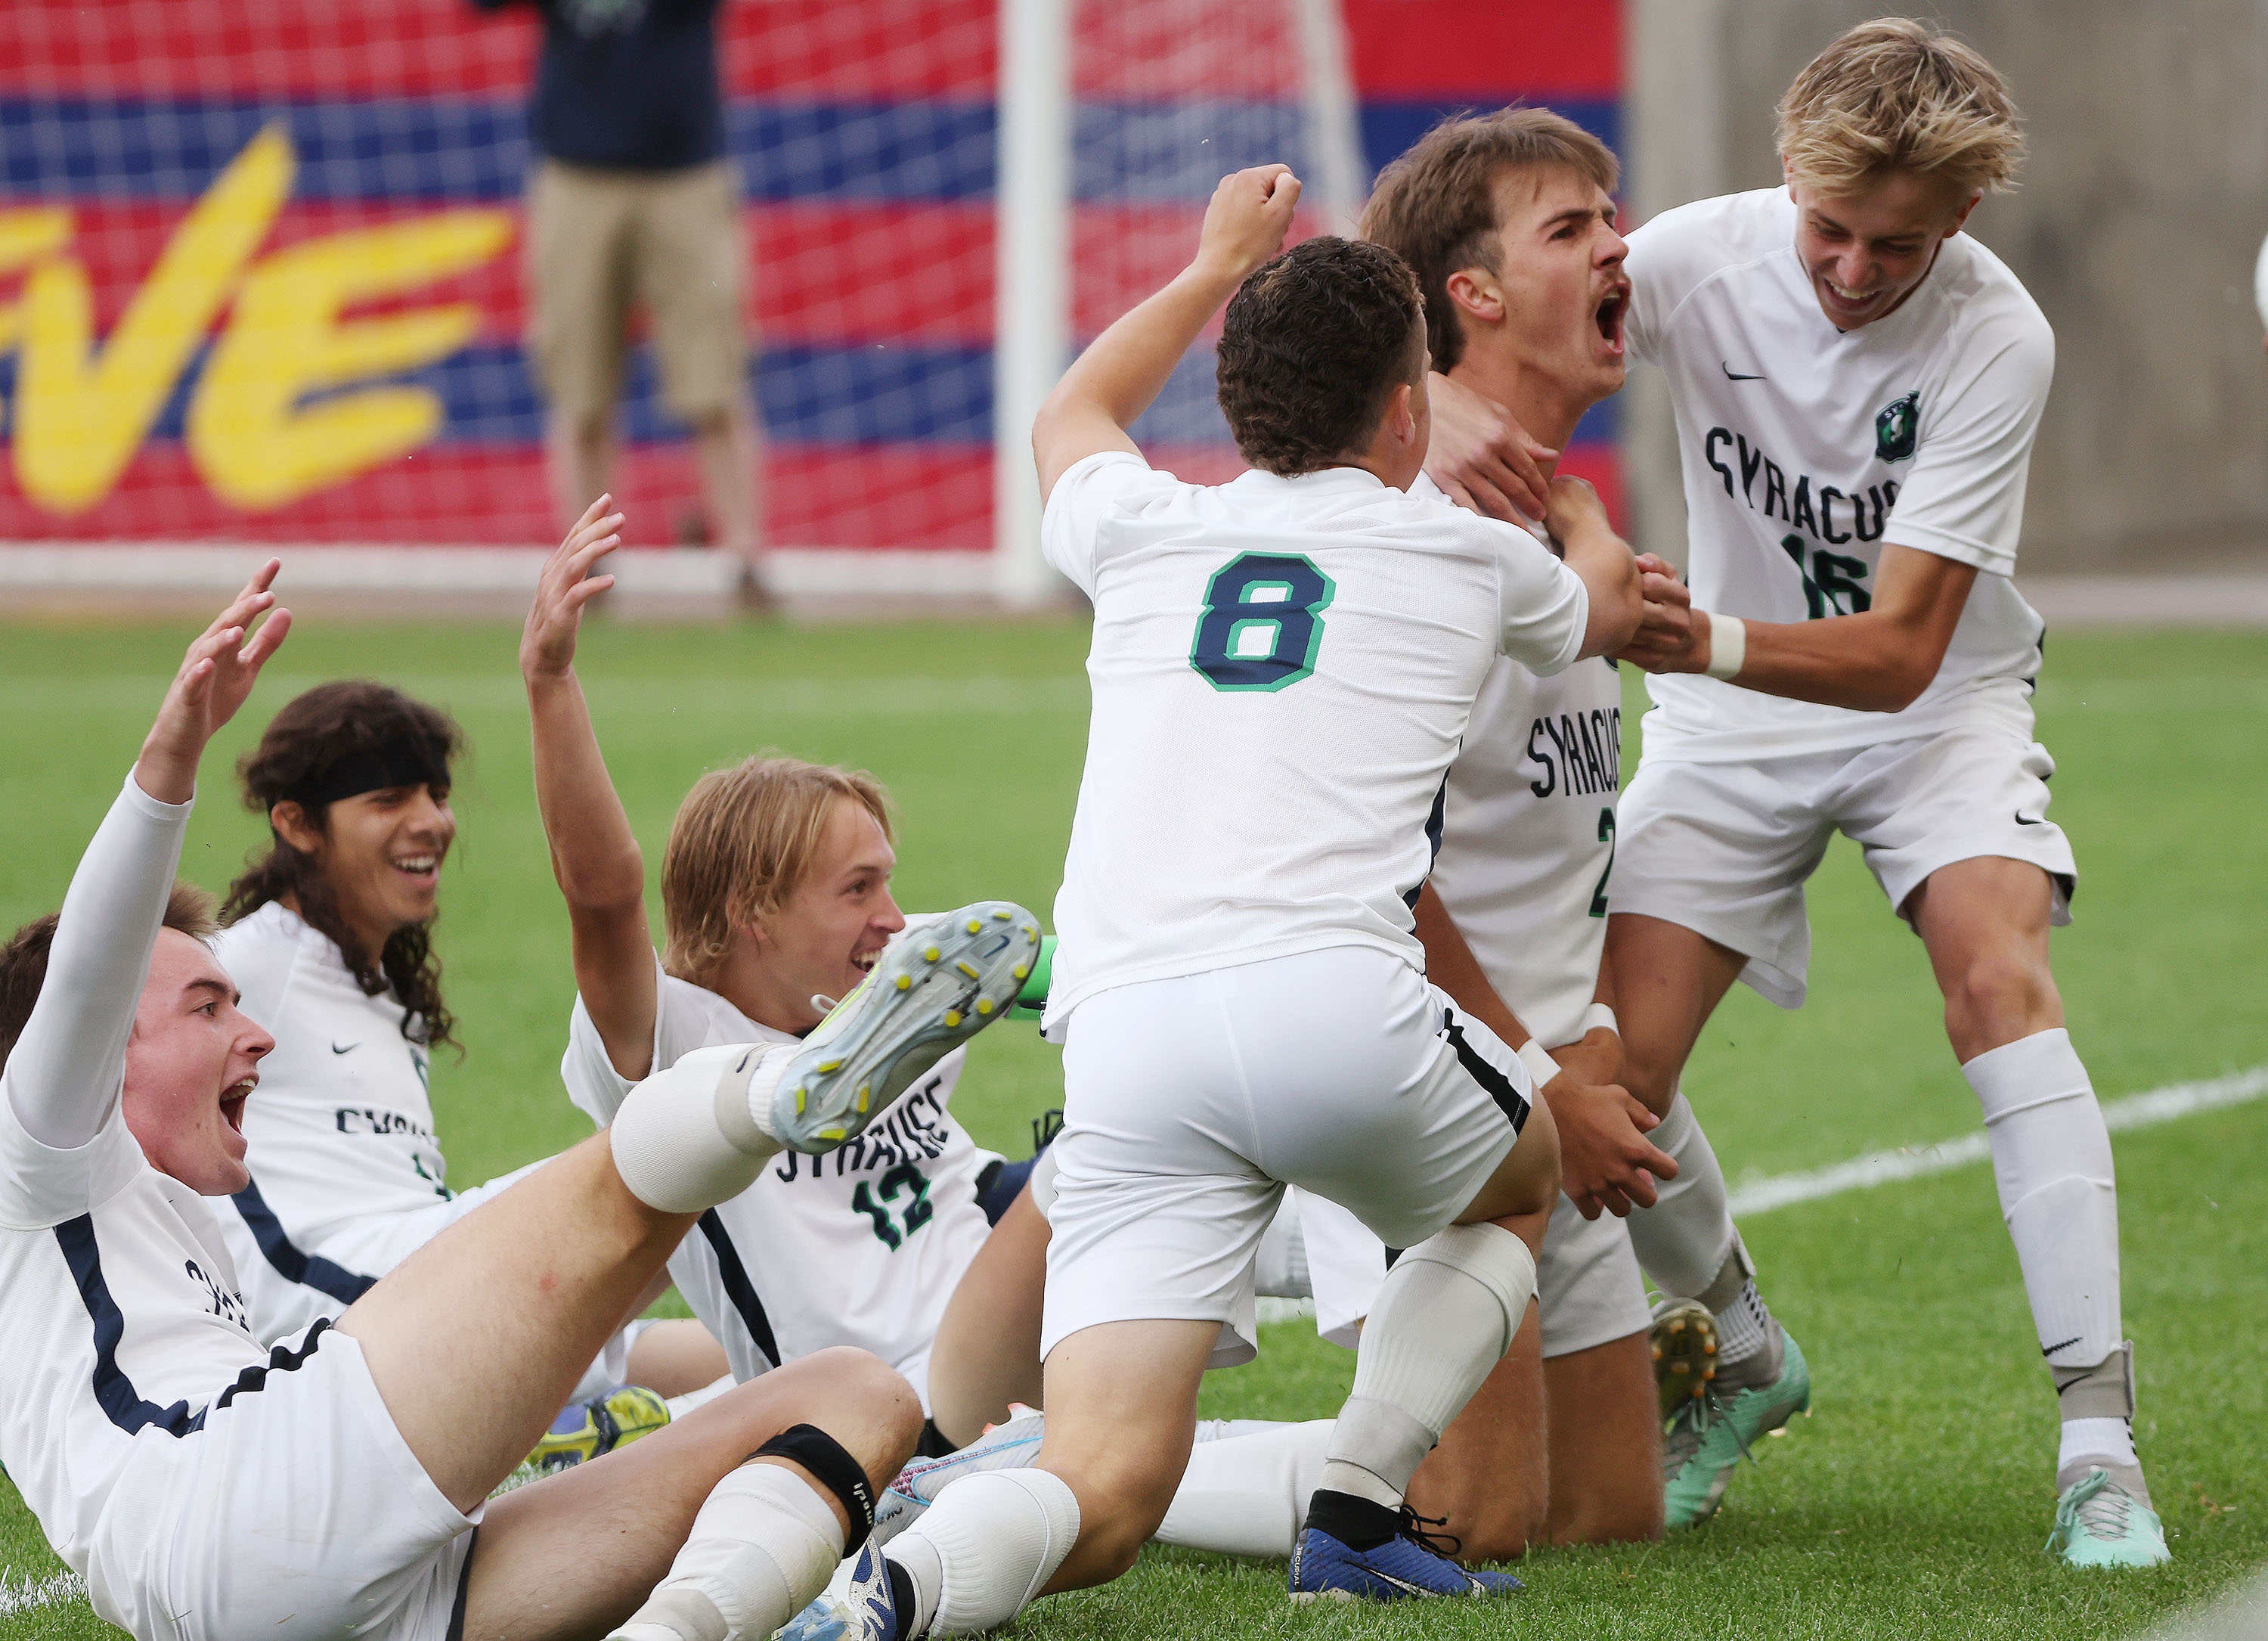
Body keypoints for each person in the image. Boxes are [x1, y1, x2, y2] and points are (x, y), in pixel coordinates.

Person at [792, 164, 1641, 1639]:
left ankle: (893, 1594)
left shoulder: (1140, 526)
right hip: (1334, 1001)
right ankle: (1362, 1504)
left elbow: (1068, 413)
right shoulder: (1459, 546)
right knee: (1521, 1173)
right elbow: (1606, 606)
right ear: (1402, 411)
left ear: (1242, 407)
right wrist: (1571, 507)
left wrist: (1207, 266)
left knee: (1102, 1481)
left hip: (1123, 1033)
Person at [1425, 18, 2167, 1566]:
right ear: (1784, 179)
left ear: (1958, 221)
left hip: (1931, 705)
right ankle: (1746, 1351)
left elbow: (1903, 650)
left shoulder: (1997, 337)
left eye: (1896, 246)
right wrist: (1433, 404)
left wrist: (1701, 632)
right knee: (1614, 1085)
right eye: (1828, 230)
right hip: (1725, 716)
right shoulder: (1689, 258)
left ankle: (2099, 1441)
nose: (1849, 270)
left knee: (1998, 978)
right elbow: (1447, 285)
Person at [0, 564, 1039, 1641]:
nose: (253, 1028)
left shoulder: (154, 1229)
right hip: (243, 1490)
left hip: (353, 1591)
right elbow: (87, 966)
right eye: (208, 1005)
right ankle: (781, 1087)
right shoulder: (43, 1157)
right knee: (623, 1173)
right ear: (88, 1051)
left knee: (856, 1396)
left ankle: (686, 1625)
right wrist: (172, 754)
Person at [522, 499, 1047, 1442]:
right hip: (891, 1418)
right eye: (857, 889)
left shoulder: (905, 970)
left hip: (1006, 1308)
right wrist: (551, 681)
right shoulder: (672, 1042)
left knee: (1210, 1131)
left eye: (889, 882)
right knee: (1130, 1152)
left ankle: (1372, 1476)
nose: (891, 917)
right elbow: (603, 893)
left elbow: (1065, 972)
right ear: (751, 912)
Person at [210, 679, 727, 1405]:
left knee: (770, 1363)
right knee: (699, 1135)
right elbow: (86, 1041)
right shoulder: (250, 962)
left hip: (423, 1275)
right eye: (389, 801)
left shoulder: (381, 983)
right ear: (296, 825)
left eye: (436, 795)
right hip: (347, 1314)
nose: (432, 822)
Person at [471, 0, 770, 606]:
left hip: (685, 174)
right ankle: (586, 573)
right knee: (579, 392)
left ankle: (747, 564)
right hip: (576, 173)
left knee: (714, 384)